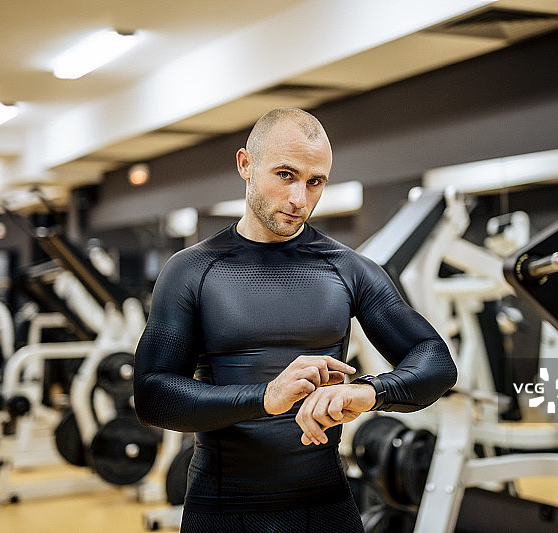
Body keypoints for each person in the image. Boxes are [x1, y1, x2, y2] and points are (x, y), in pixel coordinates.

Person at [133, 107, 458, 532]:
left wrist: (368, 393)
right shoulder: (192, 270)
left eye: (315, 181)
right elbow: (152, 394)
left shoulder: (348, 269)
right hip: (224, 510)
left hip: (327, 508)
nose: (299, 200)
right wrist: (265, 398)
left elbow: (435, 361)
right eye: (285, 175)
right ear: (245, 164)